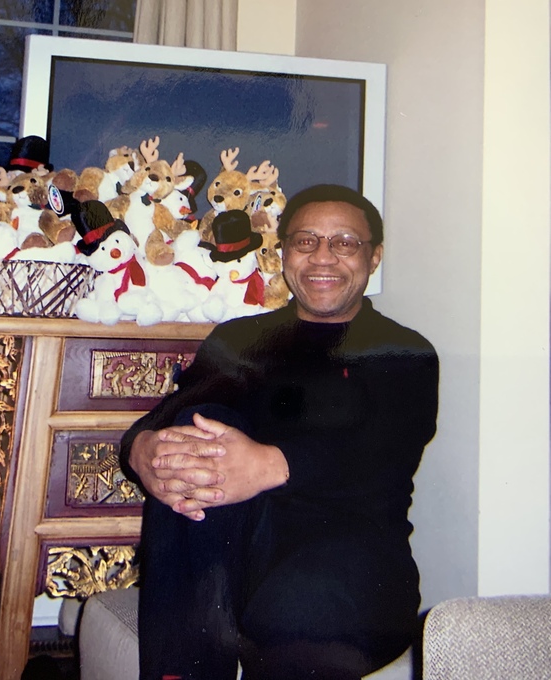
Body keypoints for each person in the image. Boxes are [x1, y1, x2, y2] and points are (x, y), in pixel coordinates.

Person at [119, 184, 439, 680]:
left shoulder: (403, 352)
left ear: (373, 257)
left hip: (349, 556)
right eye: (306, 241)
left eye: (344, 243)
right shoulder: (242, 339)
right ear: (284, 252)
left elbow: (378, 451)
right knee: (196, 421)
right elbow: (170, 416)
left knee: (296, 608)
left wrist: (268, 464)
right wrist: (140, 450)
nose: (322, 258)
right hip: (238, 549)